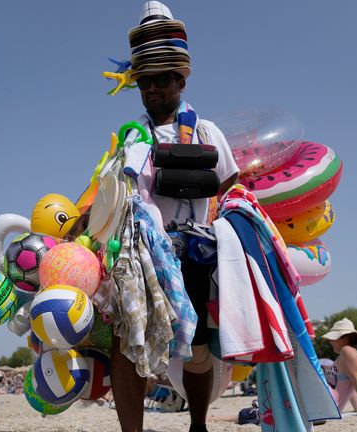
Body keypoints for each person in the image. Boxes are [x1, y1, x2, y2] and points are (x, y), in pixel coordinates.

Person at [107, 3, 239, 432]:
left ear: (181, 79)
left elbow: (232, 188)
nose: (152, 89)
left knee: (197, 348)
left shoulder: (207, 132)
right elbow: (109, 194)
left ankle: (198, 424)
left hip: (193, 254)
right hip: (139, 257)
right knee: (129, 344)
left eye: (162, 79)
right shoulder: (131, 138)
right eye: (144, 81)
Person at [321, 318, 357, 416]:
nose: (330, 342)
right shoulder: (345, 354)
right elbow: (351, 383)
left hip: (326, 406)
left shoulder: (347, 351)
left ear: (345, 339)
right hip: (329, 406)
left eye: (333, 339)